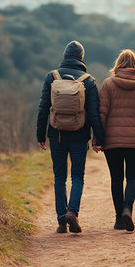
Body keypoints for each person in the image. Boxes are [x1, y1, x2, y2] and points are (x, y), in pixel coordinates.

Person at [37, 40, 105, 234]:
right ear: (81, 58)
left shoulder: (52, 77)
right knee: (77, 176)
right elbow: (94, 114)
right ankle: (72, 213)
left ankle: (61, 221)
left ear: (65, 55)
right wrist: (99, 138)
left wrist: (40, 134)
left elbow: (43, 108)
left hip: (56, 134)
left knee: (59, 177)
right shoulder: (88, 80)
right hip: (79, 135)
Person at [96, 49, 135, 232]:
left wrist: (97, 139)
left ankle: (118, 220)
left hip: (112, 143)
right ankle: (127, 210)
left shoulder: (107, 84)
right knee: (132, 178)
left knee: (116, 179)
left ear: (118, 64)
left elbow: (101, 115)